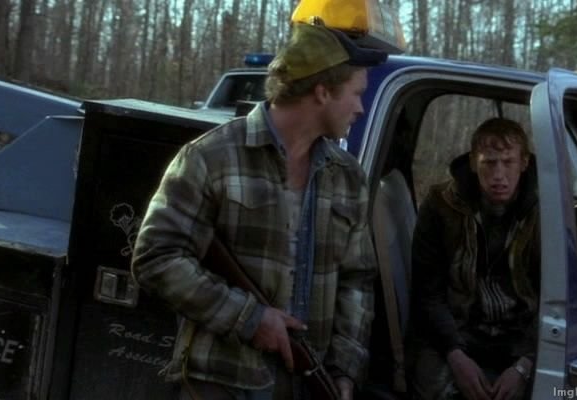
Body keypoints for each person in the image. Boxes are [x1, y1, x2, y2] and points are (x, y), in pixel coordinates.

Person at [131, 21, 384, 400]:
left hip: (309, 386)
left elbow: (357, 281)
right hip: (222, 383)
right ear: (322, 92)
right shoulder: (210, 157)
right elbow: (156, 258)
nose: (360, 108)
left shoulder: (348, 177)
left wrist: (344, 371)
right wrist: (249, 318)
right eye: (356, 94)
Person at [411, 118, 540, 400]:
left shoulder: (545, 209)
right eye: (489, 163)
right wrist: (455, 353)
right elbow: (427, 292)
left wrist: (524, 365)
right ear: (472, 162)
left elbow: (554, 298)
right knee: (432, 386)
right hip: (459, 329)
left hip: (521, 335)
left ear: (524, 163)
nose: (499, 175)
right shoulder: (441, 204)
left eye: (508, 162)